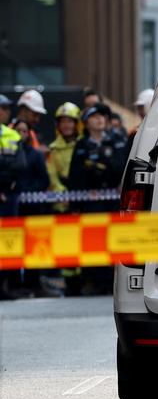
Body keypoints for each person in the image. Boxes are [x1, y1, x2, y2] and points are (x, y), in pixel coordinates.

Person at [68, 105, 128, 293]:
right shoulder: (81, 145)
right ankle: (93, 281)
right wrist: (75, 204)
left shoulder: (117, 141)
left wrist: (102, 166)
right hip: (91, 201)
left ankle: (111, 282)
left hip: (112, 200)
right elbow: (75, 176)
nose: (100, 119)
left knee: (113, 240)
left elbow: (122, 168)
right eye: (94, 117)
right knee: (93, 240)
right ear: (86, 122)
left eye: (102, 116)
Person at [12, 120, 57, 297]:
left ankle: (33, 283)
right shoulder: (9, 153)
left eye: (24, 130)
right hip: (14, 207)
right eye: (18, 130)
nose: (21, 133)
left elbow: (44, 179)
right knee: (13, 246)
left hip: (32, 207)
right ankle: (14, 285)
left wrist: (30, 191)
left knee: (32, 247)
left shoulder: (36, 155)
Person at [48, 102, 84, 296]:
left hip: (81, 203)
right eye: (63, 122)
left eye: (70, 121)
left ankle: (84, 279)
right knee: (66, 244)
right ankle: (70, 283)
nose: (67, 125)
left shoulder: (83, 144)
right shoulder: (53, 149)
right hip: (62, 204)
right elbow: (52, 176)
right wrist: (64, 195)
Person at [0, 120, 26, 299]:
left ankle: (5, 286)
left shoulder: (11, 135)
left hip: (8, 198)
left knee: (8, 244)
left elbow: (19, 167)